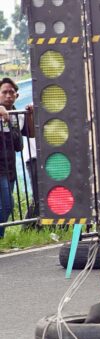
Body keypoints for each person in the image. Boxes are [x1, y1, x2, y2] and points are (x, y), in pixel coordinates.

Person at [0, 78, 31, 238]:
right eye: (4, 92)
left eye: (11, 92)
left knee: (5, 206)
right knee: (7, 205)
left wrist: (30, 115)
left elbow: (30, 135)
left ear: (17, 95)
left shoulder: (17, 115)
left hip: (9, 168)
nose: (8, 95)